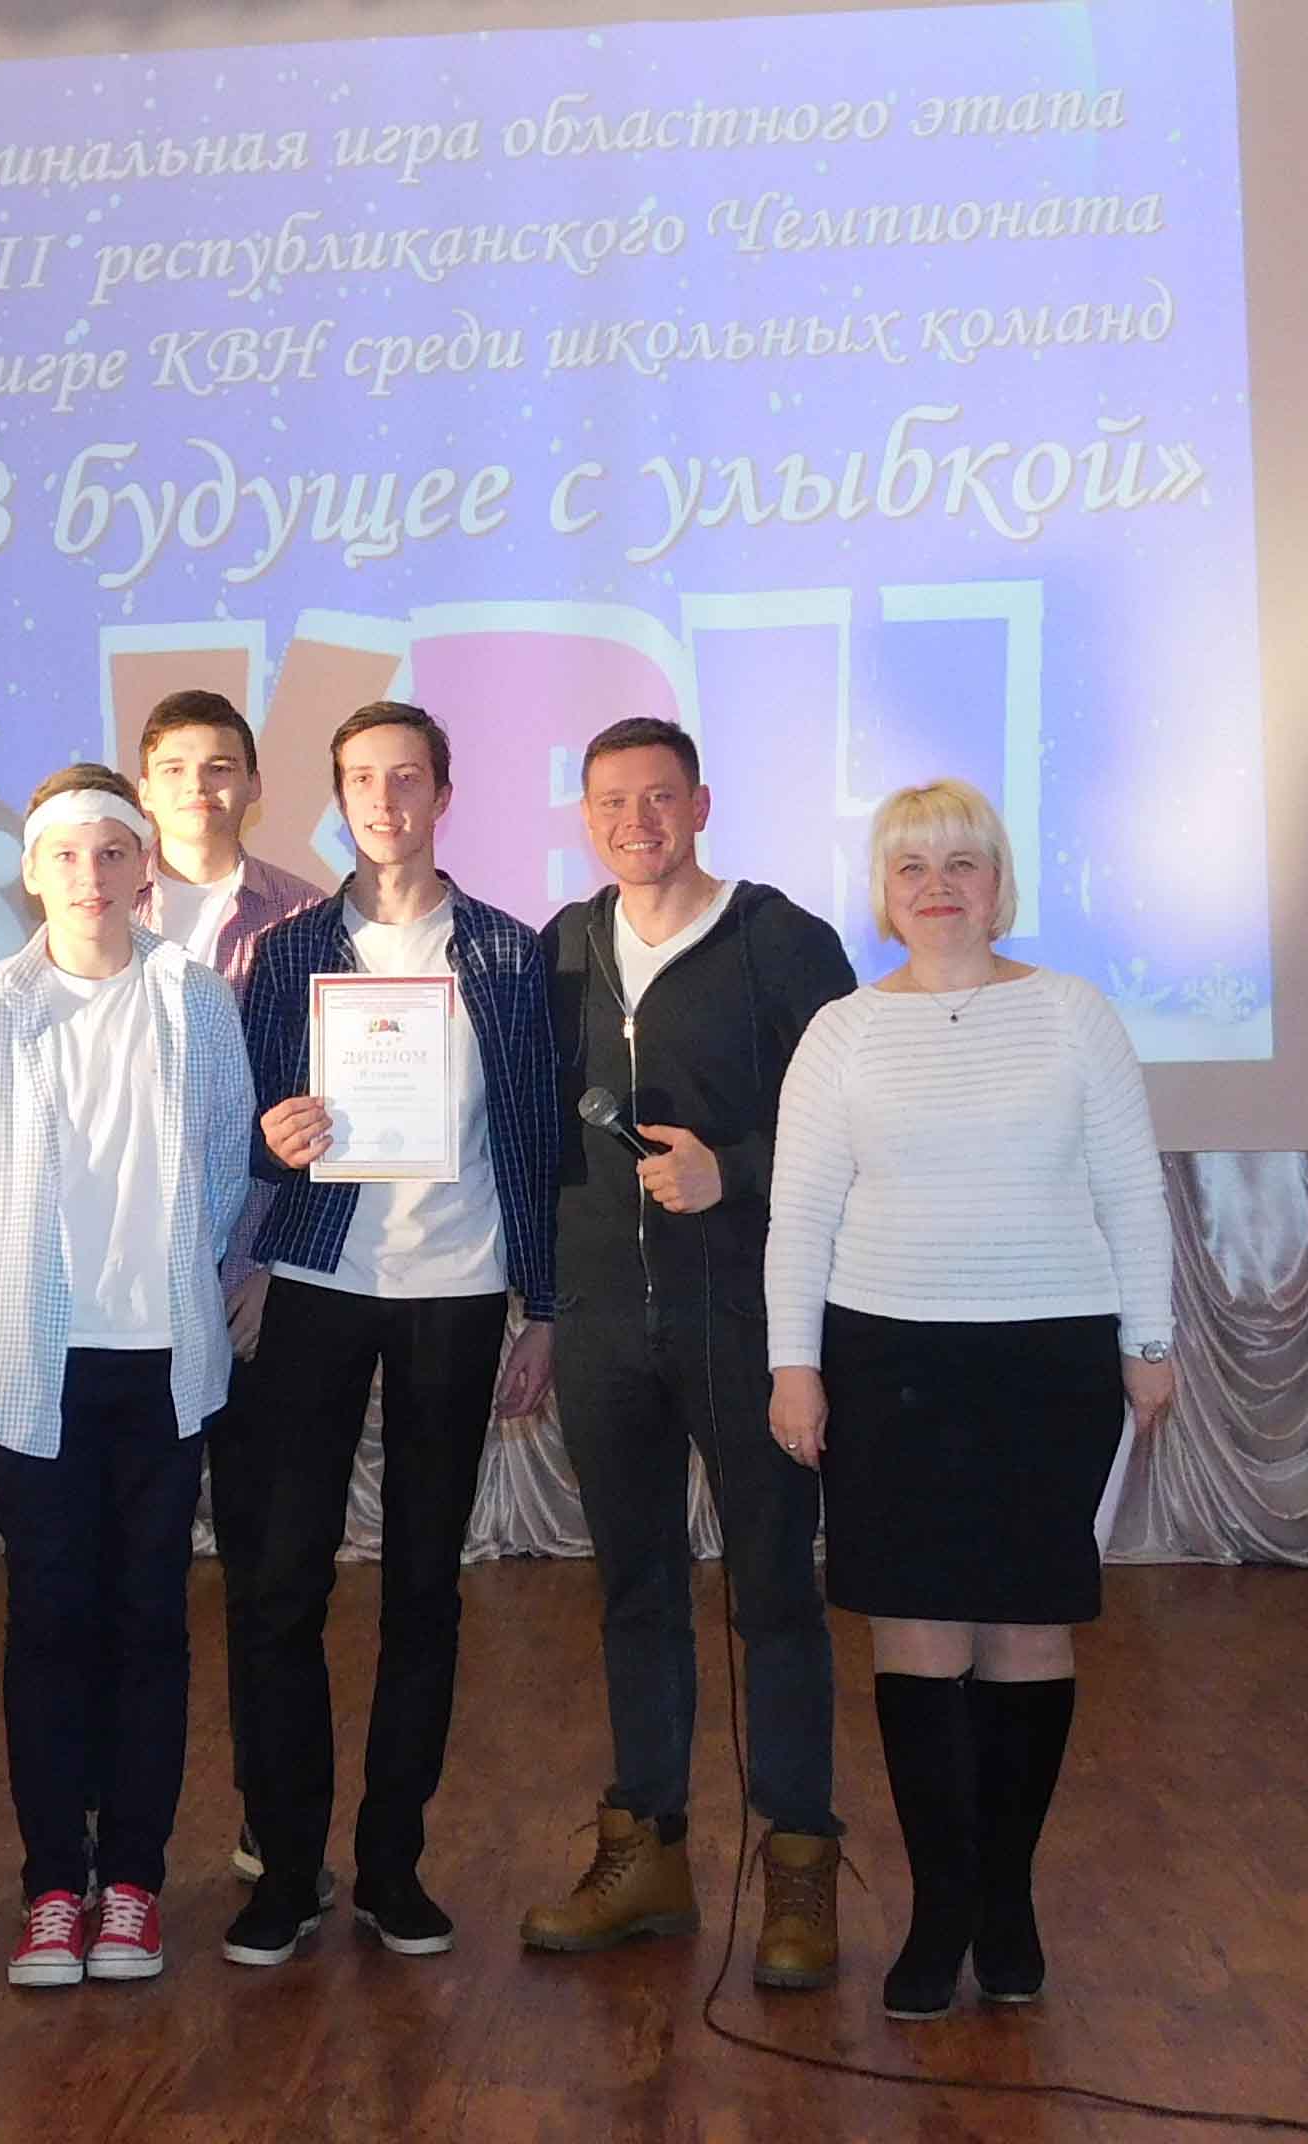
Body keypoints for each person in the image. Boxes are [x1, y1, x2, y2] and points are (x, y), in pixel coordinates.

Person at [764, 777, 1174, 2021]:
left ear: (999, 882)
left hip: (1049, 1359)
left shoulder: (1071, 1013)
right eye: (910, 866)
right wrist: (793, 1363)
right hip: (886, 1358)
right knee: (917, 1631)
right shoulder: (839, 1030)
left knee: (1026, 1631)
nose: (936, 885)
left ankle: (1006, 1900)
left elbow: (1129, 1185)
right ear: (882, 892)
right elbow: (800, 1212)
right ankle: (939, 1907)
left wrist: (1148, 1340)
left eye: (961, 862)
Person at [523, 717, 858, 1986]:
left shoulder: (781, 940)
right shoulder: (559, 946)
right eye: (611, 801)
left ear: (701, 804)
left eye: (658, 797)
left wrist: (738, 1169)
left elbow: (852, 1120)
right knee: (633, 1588)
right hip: (604, 1318)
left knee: (772, 1590)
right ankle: (645, 1852)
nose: (636, 820)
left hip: (749, 1316)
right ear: (585, 816)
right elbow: (526, 1121)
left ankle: (799, 1864)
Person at [230, 701, 559, 1968]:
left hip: (458, 1289)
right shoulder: (288, 951)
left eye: (406, 776)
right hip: (317, 1280)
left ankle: (391, 1863)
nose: (384, 800)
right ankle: (285, 1865)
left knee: (424, 1584)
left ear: (443, 793)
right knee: (281, 1581)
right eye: (361, 779)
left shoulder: (507, 954)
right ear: (336, 798)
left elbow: (534, 1137)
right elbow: (244, 1122)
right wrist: (272, 1144)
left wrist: (541, 1305)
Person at [0, 764, 256, 1990]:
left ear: (143, 867)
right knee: (47, 1622)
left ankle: (130, 1880)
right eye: (64, 855)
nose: (88, 876)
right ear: (30, 872)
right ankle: (49, 1887)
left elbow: (222, 1164)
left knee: (149, 1622)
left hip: (164, 1358)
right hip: (39, 1365)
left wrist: (160, 1276)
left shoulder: (193, 1000)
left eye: (111, 852)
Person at [128, 690, 320, 1892]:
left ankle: (273, 1826)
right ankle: (120, 1838)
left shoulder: (304, 915)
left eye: (220, 766)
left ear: (252, 783)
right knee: (134, 1580)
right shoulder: (97, 903)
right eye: (175, 767)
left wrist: (261, 1262)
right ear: (143, 785)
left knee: (268, 1577)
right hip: (122, 1300)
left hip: (254, 1299)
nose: (198, 787)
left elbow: (323, 1111)